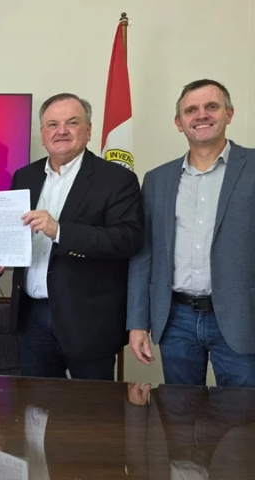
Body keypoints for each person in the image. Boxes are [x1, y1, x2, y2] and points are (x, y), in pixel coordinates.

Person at [0, 93, 143, 381]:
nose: (61, 131)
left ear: (88, 130)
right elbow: (19, 236)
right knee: (37, 404)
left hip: (88, 322)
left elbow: (128, 239)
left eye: (72, 123)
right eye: (52, 124)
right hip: (31, 318)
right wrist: (2, 258)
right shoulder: (24, 176)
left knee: (91, 406)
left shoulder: (116, 179)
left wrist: (60, 231)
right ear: (43, 134)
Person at [128, 79, 255, 388]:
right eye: (191, 110)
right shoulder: (157, 180)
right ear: (179, 122)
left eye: (211, 107)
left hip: (241, 317)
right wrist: (138, 323)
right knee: (180, 410)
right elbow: (144, 255)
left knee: (241, 414)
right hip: (176, 319)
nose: (201, 115)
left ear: (229, 114)